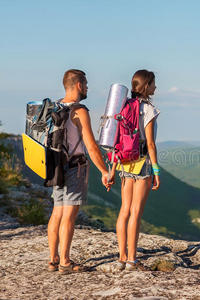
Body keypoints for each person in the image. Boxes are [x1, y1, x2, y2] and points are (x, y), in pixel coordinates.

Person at [47, 69, 111, 274]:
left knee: (57, 212)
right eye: (86, 84)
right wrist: (104, 170)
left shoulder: (54, 107)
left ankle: (53, 259)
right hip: (75, 167)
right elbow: (91, 146)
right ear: (78, 85)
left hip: (55, 165)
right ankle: (65, 262)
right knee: (69, 216)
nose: (87, 88)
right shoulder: (79, 111)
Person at [109, 69, 161, 271]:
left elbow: (117, 141)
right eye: (154, 84)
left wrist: (112, 169)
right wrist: (156, 171)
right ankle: (132, 259)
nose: (156, 87)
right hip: (142, 163)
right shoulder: (148, 110)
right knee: (136, 212)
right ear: (146, 86)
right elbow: (151, 144)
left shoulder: (125, 106)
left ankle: (121, 256)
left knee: (124, 210)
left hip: (124, 162)